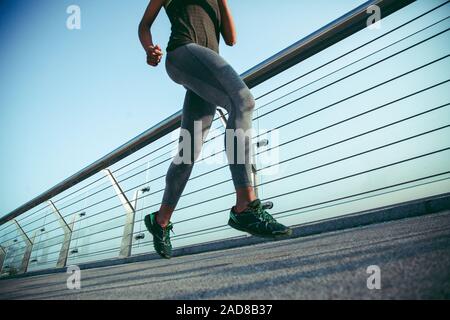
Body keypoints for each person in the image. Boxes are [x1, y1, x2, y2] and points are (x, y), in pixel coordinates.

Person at [138, 0, 292, 259]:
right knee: (243, 101)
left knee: (188, 150)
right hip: (182, 53)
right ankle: (245, 205)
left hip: (204, 68)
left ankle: (160, 220)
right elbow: (144, 25)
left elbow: (231, 39)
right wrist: (148, 49)